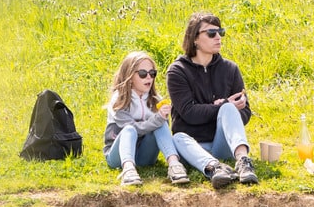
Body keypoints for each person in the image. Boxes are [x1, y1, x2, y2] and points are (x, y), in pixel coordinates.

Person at [165, 12, 258, 189]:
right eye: (211, 33)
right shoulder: (177, 71)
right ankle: (215, 168)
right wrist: (221, 107)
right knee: (177, 138)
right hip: (192, 147)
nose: (218, 37)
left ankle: (243, 161)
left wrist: (228, 109)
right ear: (195, 39)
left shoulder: (230, 68)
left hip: (221, 143)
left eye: (220, 32)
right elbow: (189, 113)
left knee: (230, 109)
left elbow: (245, 113)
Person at [103, 51, 190, 187]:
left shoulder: (155, 99)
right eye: (143, 74)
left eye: (152, 73)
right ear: (130, 76)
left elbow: (161, 131)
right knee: (130, 129)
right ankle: (128, 169)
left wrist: (163, 118)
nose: (149, 77)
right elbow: (135, 130)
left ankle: (174, 164)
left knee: (161, 124)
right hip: (118, 157)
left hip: (145, 156)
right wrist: (157, 118)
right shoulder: (119, 100)